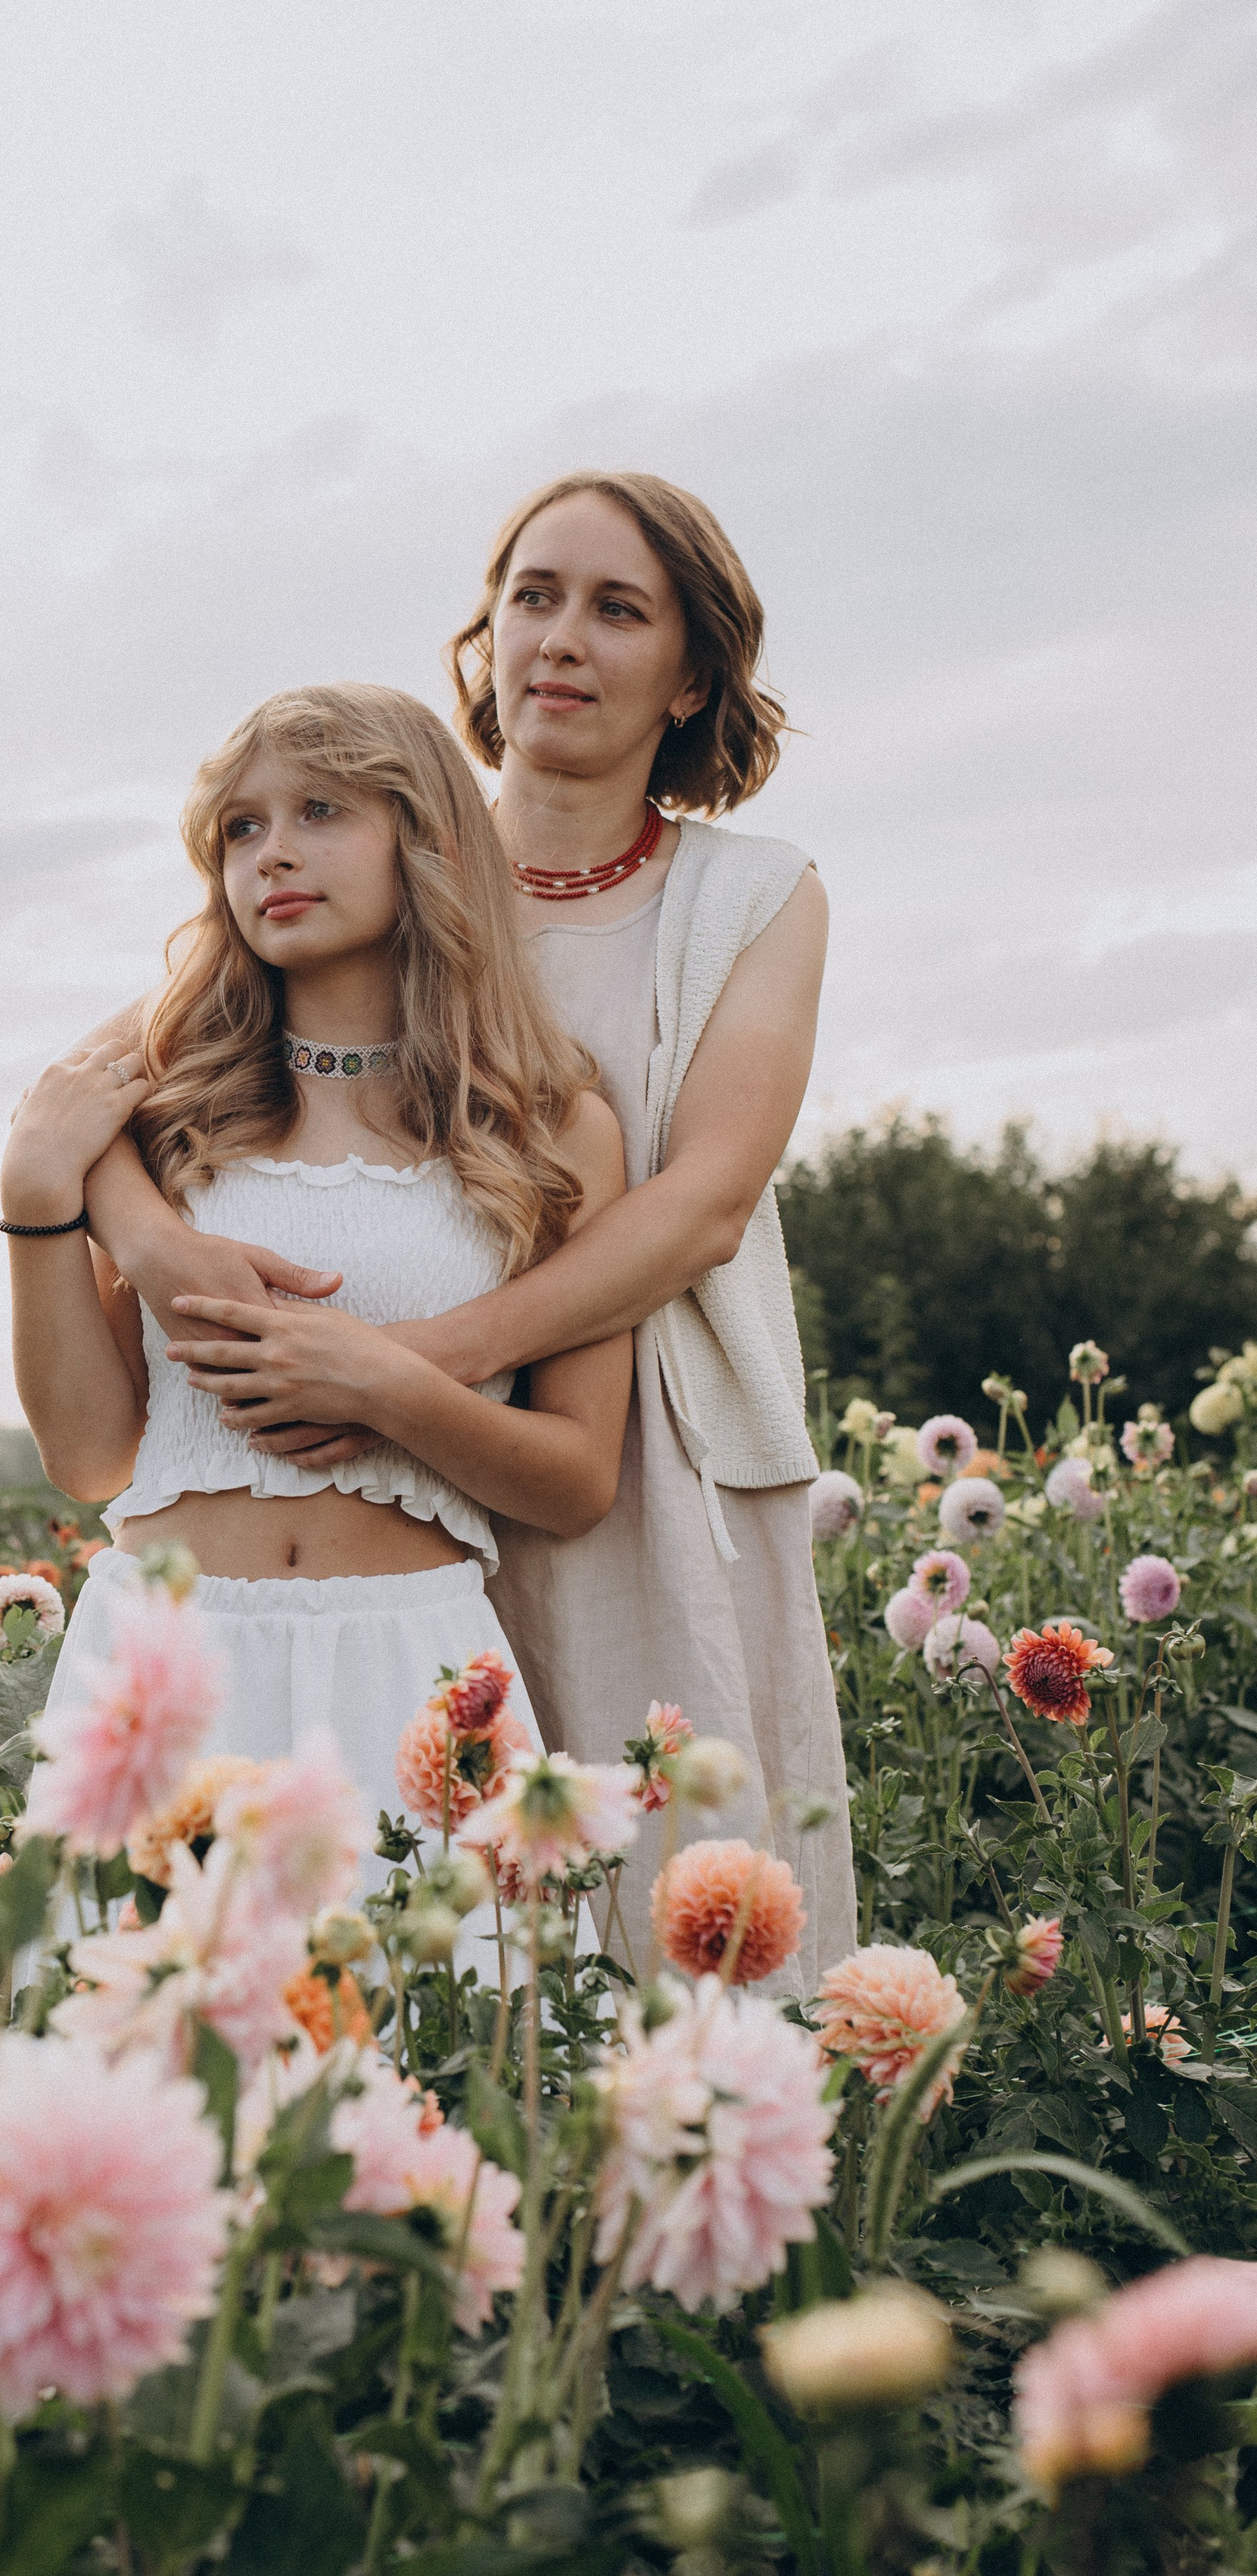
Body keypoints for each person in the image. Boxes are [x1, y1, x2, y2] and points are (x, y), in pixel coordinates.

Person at [80, 474, 855, 1990]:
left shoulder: (748, 898)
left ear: (691, 672)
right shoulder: (374, 849)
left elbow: (696, 1205)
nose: (557, 639)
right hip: (370, 1481)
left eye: (616, 608)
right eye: (530, 595)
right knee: (414, 1874)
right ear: (484, 632)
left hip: (637, 1454)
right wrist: (166, 1258)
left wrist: (403, 1368)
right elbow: (110, 1095)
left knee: (651, 1889)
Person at [0, 681, 632, 1849]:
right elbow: (90, 1456)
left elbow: (578, 1478)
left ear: (429, 841)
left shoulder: (546, 1128)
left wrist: (387, 1388)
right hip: (163, 1655)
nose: (272, 856)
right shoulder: (167, 1109)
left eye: (322, 812)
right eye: (242, 829)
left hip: (416, 1662)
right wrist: (38, 1203)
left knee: (435, 2030)